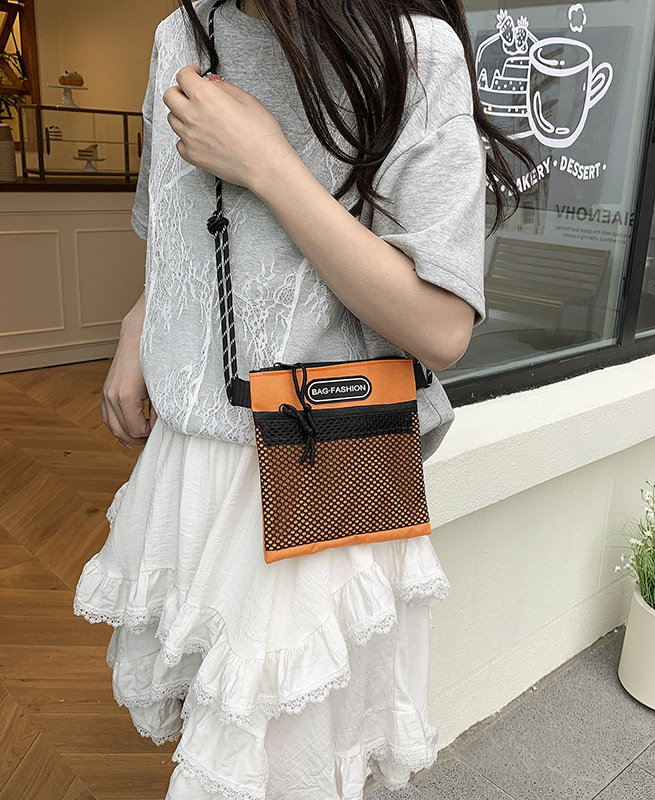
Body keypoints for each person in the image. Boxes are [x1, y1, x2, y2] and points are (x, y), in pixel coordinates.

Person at [73, 0, 533, 797]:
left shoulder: (413, 53)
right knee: (207, 729)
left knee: (276, 774)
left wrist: (269, 165)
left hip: (320, 465)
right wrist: (135, 330)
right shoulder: (181, 35)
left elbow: (440, 326)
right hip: (188, 461)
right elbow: (178, 228)